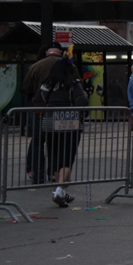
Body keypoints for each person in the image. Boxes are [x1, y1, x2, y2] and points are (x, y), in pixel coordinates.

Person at [39, 57, 88, 207]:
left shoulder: (48, 84)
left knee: (54, 155)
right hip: (71, 122)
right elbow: (81, 101)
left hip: (51, 120)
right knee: (67, 157)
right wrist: (82, 114)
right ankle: (60, 189)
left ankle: (60, 191)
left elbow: (43, 98)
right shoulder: (74, 84)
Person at [21, 42, 66, 184]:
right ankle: (54, 174)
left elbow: (26, 88)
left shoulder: (36, 66)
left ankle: (38, 175)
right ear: (60, 52)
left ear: (47, 52)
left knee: (37, 142)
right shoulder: (68, 65)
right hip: (59, 110)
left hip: (39, 109)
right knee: (55, 143)